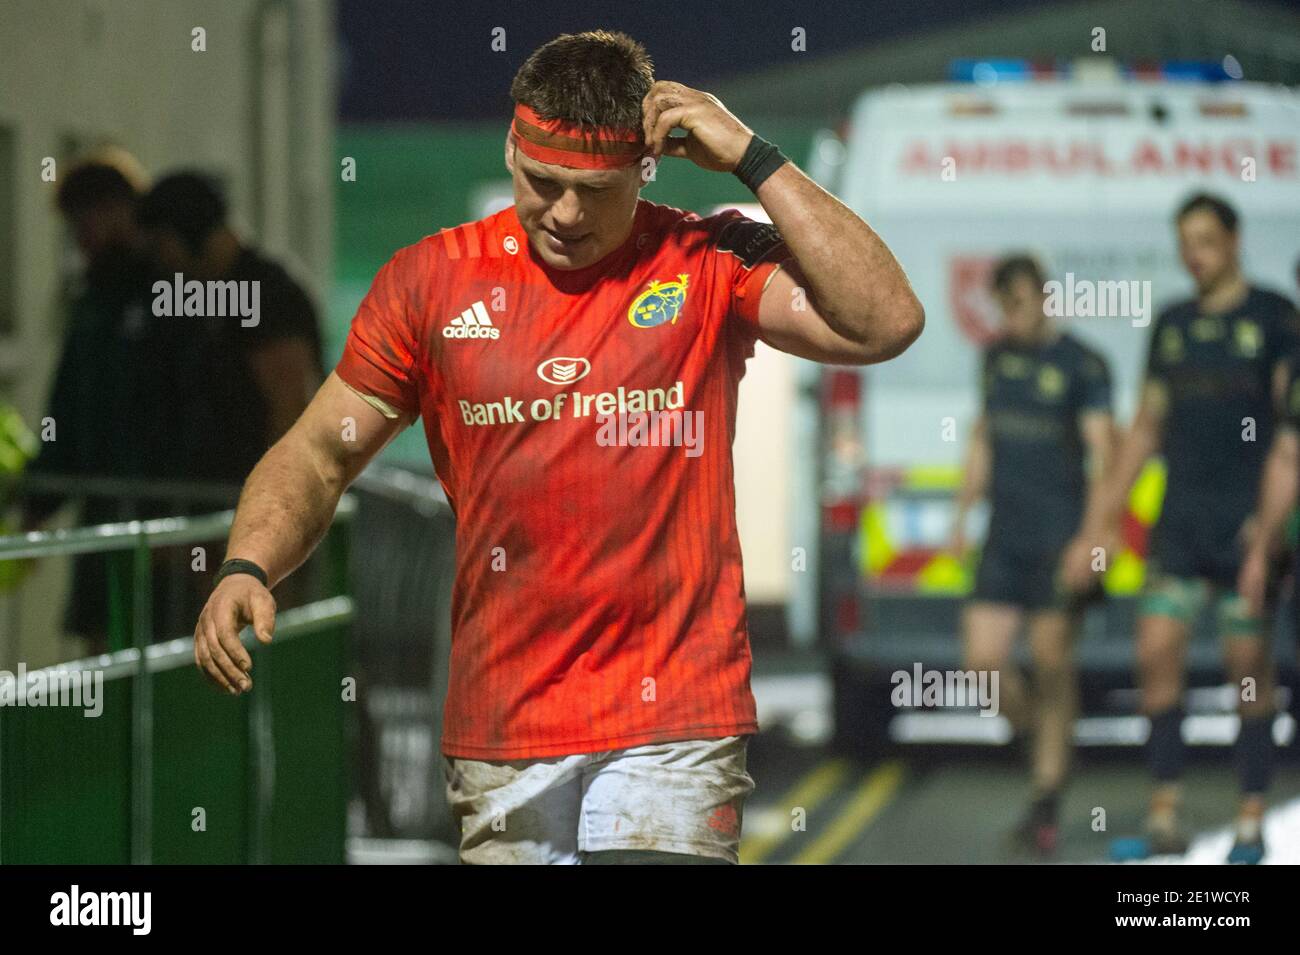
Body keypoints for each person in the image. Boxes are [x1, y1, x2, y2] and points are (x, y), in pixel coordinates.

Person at [190, 30, 923, 864]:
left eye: (595, 190)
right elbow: (322, 449)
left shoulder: (708, 259)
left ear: (647, 169)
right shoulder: (431, 283)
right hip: (506, 723)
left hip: (674, 715)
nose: (567, 213)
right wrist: (247, 564)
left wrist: (757, 157)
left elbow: (885, 320)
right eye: (544, 183)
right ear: (511, 147)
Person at [1066, 193, 1300, 864]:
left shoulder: (1275, 318)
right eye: (1184, 241)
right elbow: (1144, 428)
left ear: (1233, 240)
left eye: (1204, 240)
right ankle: (1165, 813)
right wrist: (1101, 520)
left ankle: (1251, 822)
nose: (1191, 254)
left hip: (1248, 527)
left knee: (1246, 669)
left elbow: (1290, 434)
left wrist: (1268, 531)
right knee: (1155, 652)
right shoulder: (1170, 324)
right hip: (1182, 523)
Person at [950, 254, 1114, 857]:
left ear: (1045, 298)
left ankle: (1046, 796)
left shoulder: (1083, 364)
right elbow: (983, 437)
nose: (1012, 317)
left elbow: (1104, 455)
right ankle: (1041, 743)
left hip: (1059, 539)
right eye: (1004, 306)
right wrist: (964, 513)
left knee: (1050, 662)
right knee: (982, 666)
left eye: (1021, 303)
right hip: (1004, 536)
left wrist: (1093, 538)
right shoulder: (995, 358)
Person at [20, 151, 171, 652]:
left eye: (90, 215)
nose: (81, 233)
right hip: (106, 508)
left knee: (161, 642)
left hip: (165, 513)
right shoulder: (93, 299)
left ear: (123, 209)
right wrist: (38, 501)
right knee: (103, 640)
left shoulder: (166, 286)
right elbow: (69, 406)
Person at [135, 172, 324, 484]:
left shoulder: (269, 293)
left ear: (190, 235)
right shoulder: (202, 294)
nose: (161, 261)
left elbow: (289, 408)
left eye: (162, 244)